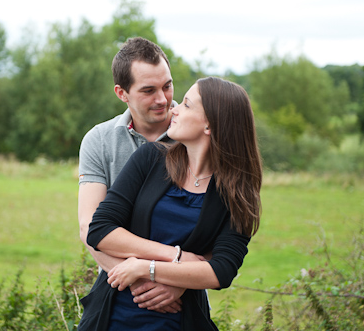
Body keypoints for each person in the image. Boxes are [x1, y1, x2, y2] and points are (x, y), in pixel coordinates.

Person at [79, 77, 263, 331]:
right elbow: (100, 230)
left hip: (180, 319)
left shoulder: (237, 193)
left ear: (209, 125)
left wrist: (147, 268)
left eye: (186, 105)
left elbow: (222, 270)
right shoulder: (150, 159)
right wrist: (175, 256)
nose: (173, 108)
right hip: (113, 316)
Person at [78, 37, 186, 313]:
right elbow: (89, 226)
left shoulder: (194, 136)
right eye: (148, 90)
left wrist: (177, 282)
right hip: (119, 291)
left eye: (167, 86)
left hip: (179, 297)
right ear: (121, 93)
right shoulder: (99, 140)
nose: (162, 99)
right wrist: (140, 283)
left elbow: (215, 229)